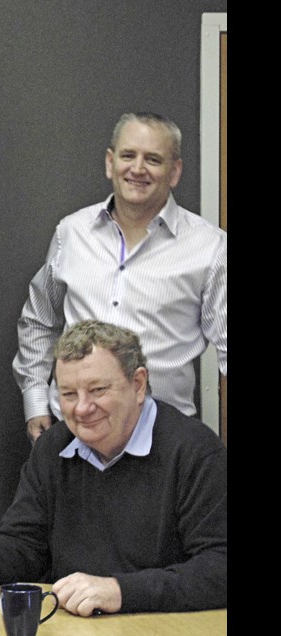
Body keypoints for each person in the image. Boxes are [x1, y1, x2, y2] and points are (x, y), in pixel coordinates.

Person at [0, 321, 227, 616]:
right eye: (68, 394)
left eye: (98, 390)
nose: (83, 408)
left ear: (138, 385)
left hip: (164, 628)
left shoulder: (194, 451)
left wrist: (120, 591)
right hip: (72, 626)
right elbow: (23, 549)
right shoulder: (54, 447)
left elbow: (219, 567)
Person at [13, 112, 227, 442]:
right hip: (73, 432)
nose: (138, 169)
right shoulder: (72, 233)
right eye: (128, 155)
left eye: (153, 159)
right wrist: (36, 402)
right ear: (110, 163)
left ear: (175, 172)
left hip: (163, 442)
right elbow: (39, 321)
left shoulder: (208, 248)